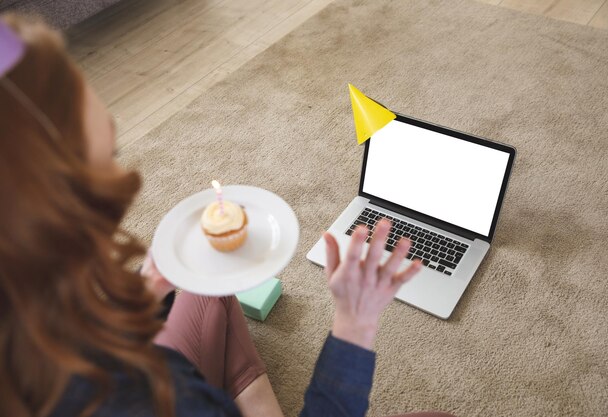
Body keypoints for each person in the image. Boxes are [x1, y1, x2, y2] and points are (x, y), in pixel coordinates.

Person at [0, 14, 454, 417]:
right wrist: (355, 323)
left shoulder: (27, 299)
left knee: (206, 279)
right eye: (107, 158)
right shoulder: (139, 397)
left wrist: (141, 295)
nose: (123, 177)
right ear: (50, 211)